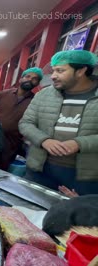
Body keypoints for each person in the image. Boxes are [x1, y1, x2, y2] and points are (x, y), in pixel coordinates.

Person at [19, 50, 98, 195]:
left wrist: (79, 143)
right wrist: (44, 140)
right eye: (54, 70)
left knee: (74, 215)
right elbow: (26, 123)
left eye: (60, 71)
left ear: (81, 71)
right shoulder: (44, 94)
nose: (53, 76)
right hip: (40, 169)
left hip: (84, 177)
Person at [0, 67, 42, 171]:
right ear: (21, 79)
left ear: (37, 83)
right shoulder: (4, 94)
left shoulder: (36, 101)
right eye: (27, 76)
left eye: (34, 78)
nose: (30, 80)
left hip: (11, 143)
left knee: (0, 170)